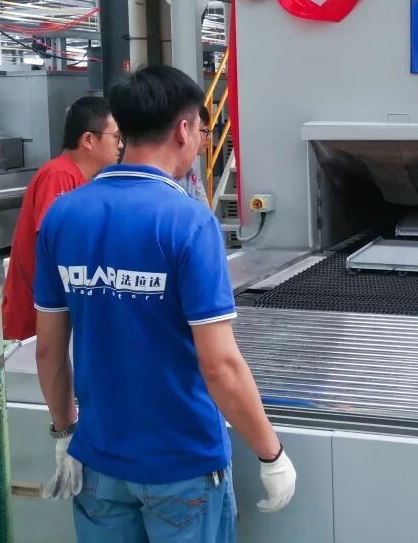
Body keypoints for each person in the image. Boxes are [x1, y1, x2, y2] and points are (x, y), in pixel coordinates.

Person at [33, 65, 295, 542]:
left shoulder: (63, 215)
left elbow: (49, 350)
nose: (201, 142)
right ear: (183, 129)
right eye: (202, 131)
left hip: (98, 461)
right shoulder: (188, 222)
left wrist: (63, 432)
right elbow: (219, 365)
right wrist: (270, 453)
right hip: (182, 465)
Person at [1, 96, 122, 341]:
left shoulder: (79, 179)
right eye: (116, 137)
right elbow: (57, 246)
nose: (120, 145)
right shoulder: (59, 175)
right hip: (35, 322)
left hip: (53, 316)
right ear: (88, 140)